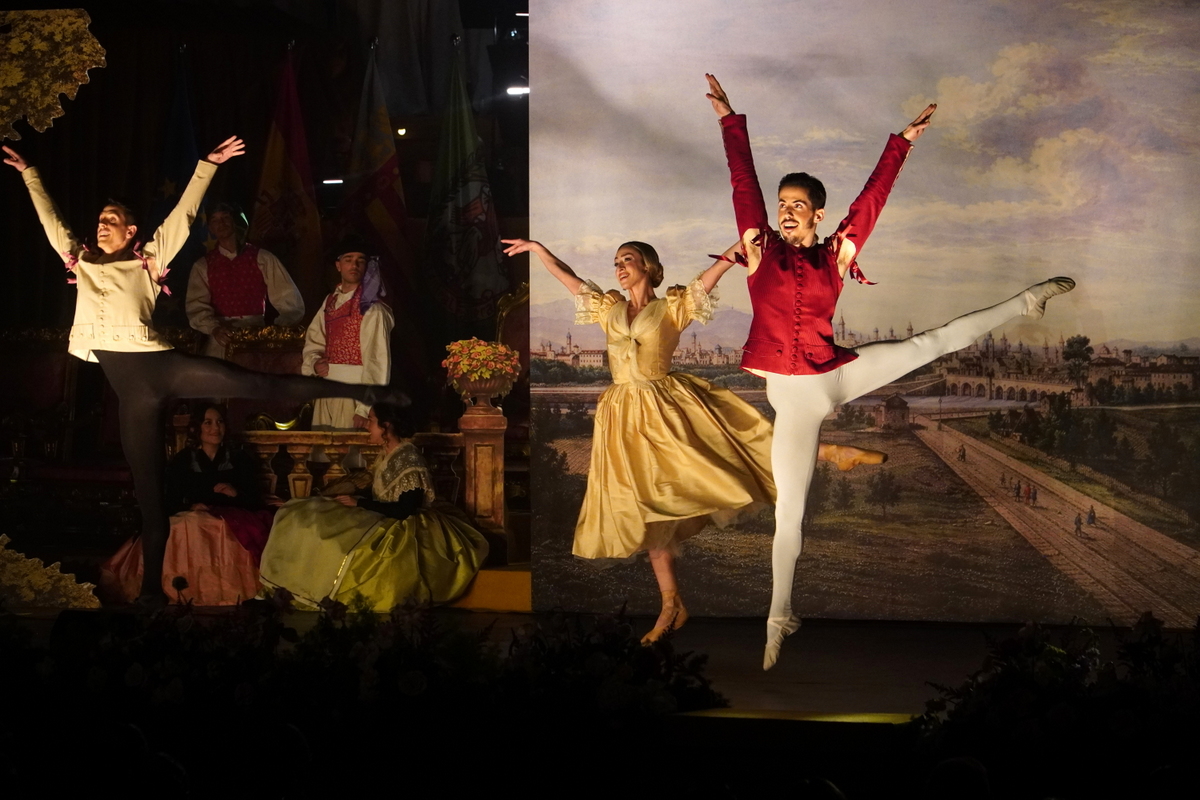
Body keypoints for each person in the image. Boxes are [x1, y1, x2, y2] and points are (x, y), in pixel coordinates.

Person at [705, 74, 1075, 668]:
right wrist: (729, 118)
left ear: (819, 215)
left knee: (929, 342)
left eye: (798, 206)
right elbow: (741, 184)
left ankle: (1024, 303)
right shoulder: (759, 251)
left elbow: (870, 204)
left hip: (837, 373)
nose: (787, 213)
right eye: (783, 206)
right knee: (789, 511)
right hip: (796, 401)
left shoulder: (836, 254)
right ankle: (779, 618)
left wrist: (900, 143)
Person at [3, 140, 406, 607]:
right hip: (134, 395)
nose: (101, 224)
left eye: (111, 220)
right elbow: (52, 224)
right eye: (100, 220)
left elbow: (182, 215)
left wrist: (206, 166)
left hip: (165, 369)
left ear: (131, 230)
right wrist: (30, 172)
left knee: (260, 384)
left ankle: (373, 390)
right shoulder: (83, 262)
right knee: (149, 501)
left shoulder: (147, 260)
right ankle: (151, 596)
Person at [505, 237, 886, 644]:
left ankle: (831, 452)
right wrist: (538, 250)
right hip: (622, 417)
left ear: (649, 267)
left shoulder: (670, 307)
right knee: (650, 513)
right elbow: (573, 282)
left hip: (664, 405)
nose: (619, 267)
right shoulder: (608, 308)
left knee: (734, 451)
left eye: (628, 260)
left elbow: (702, 285)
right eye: (616, 262)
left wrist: (728, 257)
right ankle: (671, 604)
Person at [258, 402, 489, 610]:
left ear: (386, 426)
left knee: (337, 542)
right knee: (309, 515)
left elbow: (404, 510)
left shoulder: (409, 458)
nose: (367, 426)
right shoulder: (387, 454)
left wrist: (361, 503)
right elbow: (368, 485)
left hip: (404, 526)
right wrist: (322, 498)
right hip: (380, 513)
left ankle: (324, 592)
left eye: (371, 421)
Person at [99, 402, 275, 605]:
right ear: (197, 427)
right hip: (192, 514)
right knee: (185, 525)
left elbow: (253, 498)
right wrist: (190, 506)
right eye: (208, 423)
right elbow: (171, 498)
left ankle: (220, 590)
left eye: (219, 422)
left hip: (232, 513)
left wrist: (235, 492)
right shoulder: (183, 460)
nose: (215, 428)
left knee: (214, 527)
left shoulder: (239, 458)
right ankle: (178, 589)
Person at [186, 202, 304, 359]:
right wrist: (213, 328)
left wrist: (276, 331)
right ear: (210, 228)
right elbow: (196, 305)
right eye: (215, 220)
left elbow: (289, 299)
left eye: (225, 218)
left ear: (235, 221)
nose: (221, 224)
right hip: (220, 342)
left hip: (255, 340)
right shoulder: (203, 265)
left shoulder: (263, 258)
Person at [302, 238, 394, 431]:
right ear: (338, 265)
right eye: (348, 259)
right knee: (325, 454)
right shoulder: (330, 302)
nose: (354, 265)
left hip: (354, 393)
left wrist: (363, 408)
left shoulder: (371, 309)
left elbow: (377, 360)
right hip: (327, 391)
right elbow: (314, 341)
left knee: (349, 455)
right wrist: (314, 363)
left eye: (360, 260)